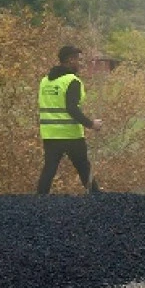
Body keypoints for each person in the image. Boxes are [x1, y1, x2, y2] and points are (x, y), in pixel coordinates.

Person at [36, 45, 103, 194]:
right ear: (70, 60)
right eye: (79, 59)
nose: (81, 63)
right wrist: (91, 124)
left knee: (49, 170)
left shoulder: (45, 81)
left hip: (50, 134)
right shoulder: (72, 81)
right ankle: (98, 200)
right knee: (84, 168)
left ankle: (38, 203)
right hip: (70, 135)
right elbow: (72, 108)